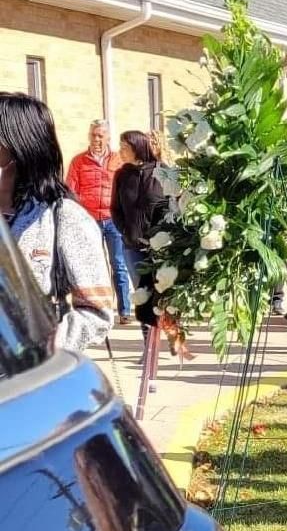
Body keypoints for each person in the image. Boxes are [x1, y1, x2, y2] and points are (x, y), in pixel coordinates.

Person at [0, 92, 112, 353]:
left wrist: (42, 346)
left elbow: (98, 314)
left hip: (25, 378)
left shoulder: (63, 216)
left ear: (18, 142)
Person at [65, 117, 130, 322]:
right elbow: (70, 191)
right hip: (89, 222)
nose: (96, 139)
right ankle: (99, 310)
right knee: (93, 266)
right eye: (93, 135)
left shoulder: (119, 160)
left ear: (108, 137)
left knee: (118, 264)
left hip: (113, 220)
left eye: (100, 135)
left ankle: (125, 311)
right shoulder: (79, 161)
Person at [110, 130, 167, 323]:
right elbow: (115, 209)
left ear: (137, 148)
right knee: (143, 298)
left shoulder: (162, 172)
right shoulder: (121, 176)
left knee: (162, 297)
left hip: (160, 248)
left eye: (125, 148)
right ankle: (148, 349)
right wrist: (126, 232)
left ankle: (172, 336)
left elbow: (171, 207)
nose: (120, 151)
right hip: (133, 247)